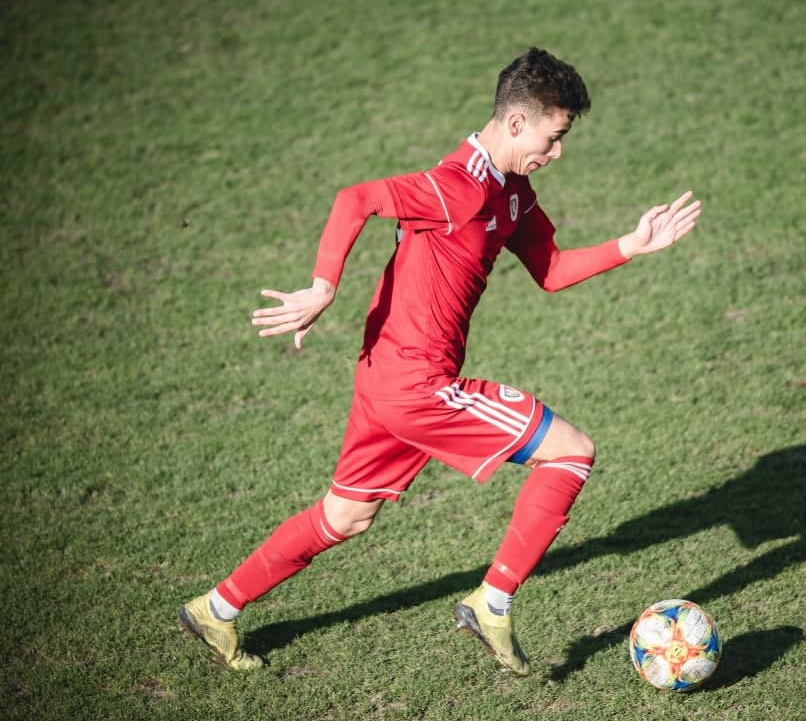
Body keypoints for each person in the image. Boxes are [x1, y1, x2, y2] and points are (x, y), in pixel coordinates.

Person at [179, 47, 702, 675]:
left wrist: (631, 245)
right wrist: (322, 287)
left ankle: (216, 608)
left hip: (383, 380)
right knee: (571, 452)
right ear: (516, 123)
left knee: (345, 515)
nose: (558, 152)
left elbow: (552, 270)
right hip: (416, 384)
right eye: (553, 137)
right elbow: (355, 199)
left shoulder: (513, 193)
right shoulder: (459, 185)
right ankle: (493, 602)